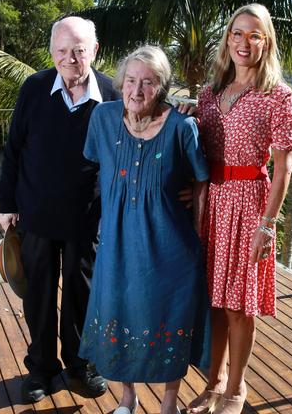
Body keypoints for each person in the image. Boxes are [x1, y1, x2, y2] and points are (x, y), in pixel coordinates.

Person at [78, 45, 211, 414]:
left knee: (171, 318)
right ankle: (127, 397)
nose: (137, 91)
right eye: (131, 81)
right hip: (118, 245)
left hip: (171, 248)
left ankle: (169, 402)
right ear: (120, 83)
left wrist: (198, 233)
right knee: (120, 314)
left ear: (162, 88)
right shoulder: (102, 119)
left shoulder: (183, 127)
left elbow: (202, 180)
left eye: (148, 83)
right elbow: (96, 171)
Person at [0, 16, 120, 403]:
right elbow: (14, 149)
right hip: (36, 213)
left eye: (79, 50)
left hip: (88, 216)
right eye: (63, 51)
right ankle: (41, 368)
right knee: (39, 295)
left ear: (94, 51)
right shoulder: (34, 89)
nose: (71, 58)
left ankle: (79, 366)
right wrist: (6, 204)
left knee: (82, 295)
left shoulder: (114, 94)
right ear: (52, 53)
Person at [188, 4, 292, 414]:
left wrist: (267, 226)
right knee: (214, 301)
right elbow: (194, 148)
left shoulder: (278, 96)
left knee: (238, 303)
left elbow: (284, 167)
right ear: (227, 39)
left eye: (254, 34)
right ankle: (212, 382)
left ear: (266, 41)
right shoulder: (210, 93)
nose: (244, 42)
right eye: (237, 33)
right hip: (212, 203)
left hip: (250, 204)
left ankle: (236, 389)